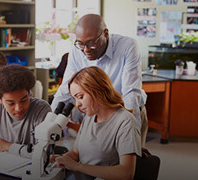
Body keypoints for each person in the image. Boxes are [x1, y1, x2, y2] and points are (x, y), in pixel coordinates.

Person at [51, 14, 148, 147]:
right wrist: (49, 122)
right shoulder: (76, 50)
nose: (85, 49)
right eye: (81, 43)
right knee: (94, 159)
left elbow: (130, 93)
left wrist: (132, 133)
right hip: (95, 113)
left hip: (127, 111)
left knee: (129, 161)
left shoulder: (127, 46)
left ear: (105, 34)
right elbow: (65, 89)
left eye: (91, 43)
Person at [51, 66, 141, 180]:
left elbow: (126, 174)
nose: (77, 104)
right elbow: (76, 153)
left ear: (98, 90)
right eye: (75, 99)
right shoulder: (90, 116)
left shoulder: (125, 121)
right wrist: (62, 159)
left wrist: (77, 166)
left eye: (81, 97)